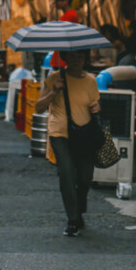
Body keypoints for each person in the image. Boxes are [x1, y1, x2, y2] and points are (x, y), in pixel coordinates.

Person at [34, 51, 101, 236]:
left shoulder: (91, 80)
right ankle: (73, 219)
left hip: (85, 134)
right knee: (66, 173)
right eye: (71, 57)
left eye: (79, 57)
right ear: (64, 58)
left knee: (85, 177)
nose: (75, 61)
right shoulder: (55, 78)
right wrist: (53, 92)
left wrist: (96, 107)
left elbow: (94, 103)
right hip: (60, 133)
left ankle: (79, 209)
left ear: (85, 59)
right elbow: (39, 107)